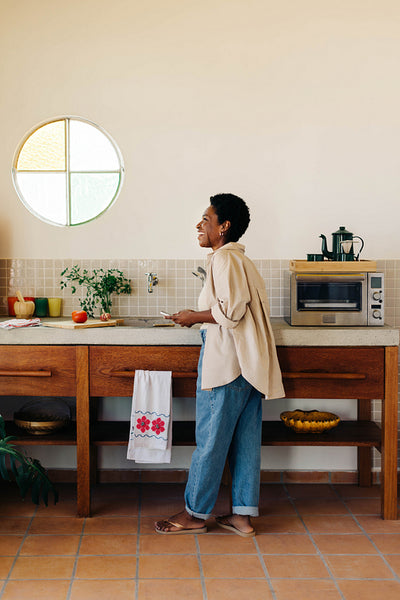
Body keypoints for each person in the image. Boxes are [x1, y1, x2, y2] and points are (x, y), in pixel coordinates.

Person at [155, 193, 284, 537]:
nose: (200, 225)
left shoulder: (223, 260)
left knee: (210, 442)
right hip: (250, 367)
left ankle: (195, 513)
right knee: (244, 443)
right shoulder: (243, 261)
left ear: (223, 227)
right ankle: (241, 516)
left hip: (227, 366)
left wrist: (190, 317)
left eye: (206, 220)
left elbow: (230, 312)